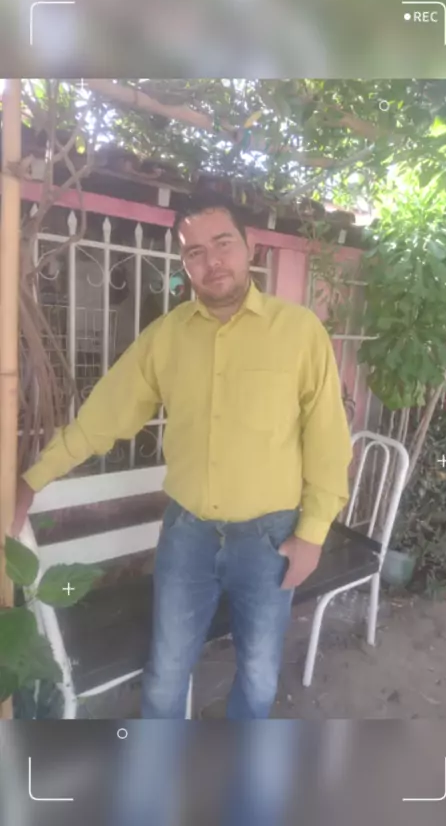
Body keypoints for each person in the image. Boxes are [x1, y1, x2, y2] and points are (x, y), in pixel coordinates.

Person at [12, 192, 353, 719]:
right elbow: (102, 419)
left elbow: (327, 439)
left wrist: (312, 534)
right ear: (183, 263)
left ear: (251, 247)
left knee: (259, 674)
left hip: (270, 539)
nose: (211, 261)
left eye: (223, 243)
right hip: (187, 535)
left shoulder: (298, 332)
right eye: (195, 251)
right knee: (166, 672)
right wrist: (32, 480)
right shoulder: (165, 339)